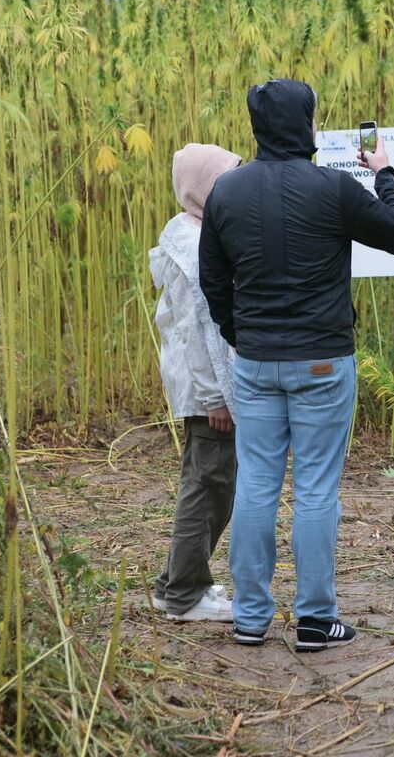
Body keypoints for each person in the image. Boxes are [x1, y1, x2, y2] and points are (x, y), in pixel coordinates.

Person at [200, 78, 394, 651]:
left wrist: (241, 336)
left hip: (256, 362)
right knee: (317, 489)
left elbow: (213, 282)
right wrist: (385, 173)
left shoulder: (225, 193)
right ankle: (317, 619)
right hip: (322, 362)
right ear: (305, 125)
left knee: (256, 486)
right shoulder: (334, 188)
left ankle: (250, 618)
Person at [149, 143, 243, 622]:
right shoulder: (191, 247)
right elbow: (194, 329)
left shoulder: (201, 235)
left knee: (212, 482)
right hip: (208, 394)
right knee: (208, 483)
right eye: (226, 180)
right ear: (205, 190)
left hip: (211, 390)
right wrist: (216, 399)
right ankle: (185, 594)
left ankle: (175, 583)